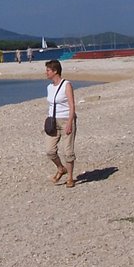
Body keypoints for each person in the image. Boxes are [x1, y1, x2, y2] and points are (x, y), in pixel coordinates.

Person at [44, 59, 77, 188]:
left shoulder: (66, 85)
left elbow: (72, 105)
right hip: (53, 121)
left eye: (48, 70)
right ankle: (60, 168)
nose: (46, 73)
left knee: (68, 151)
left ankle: (70, 177)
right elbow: (51, 104)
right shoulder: (49, 87)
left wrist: (70, 122)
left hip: (66, 120)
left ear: (55, 71)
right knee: (50, 150)